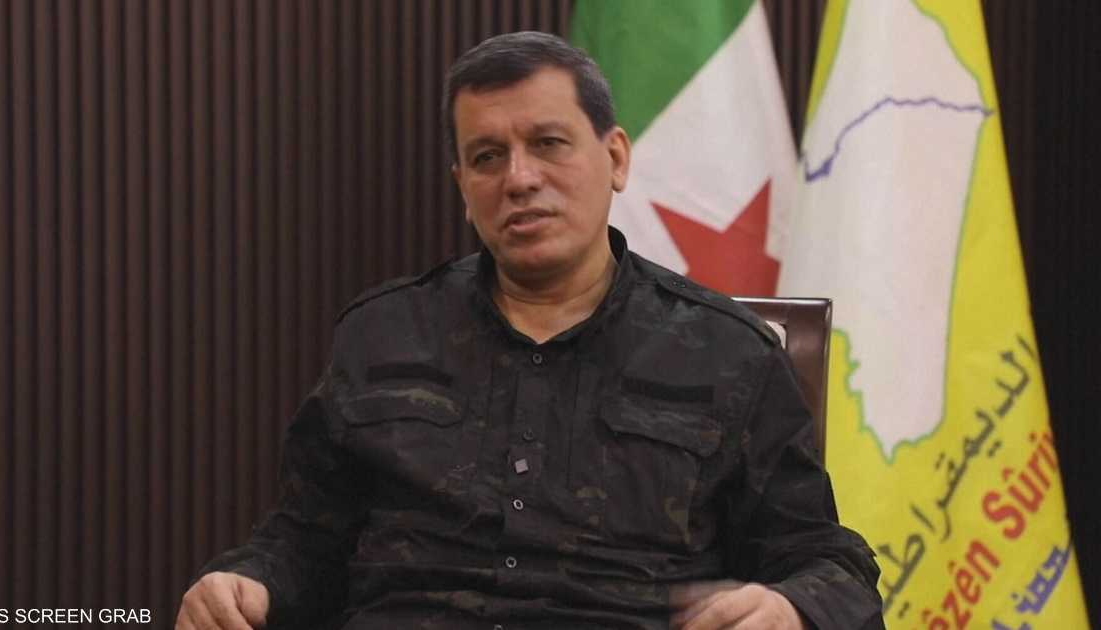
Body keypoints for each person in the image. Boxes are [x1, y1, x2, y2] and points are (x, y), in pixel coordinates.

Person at [176, 31, 883, 630]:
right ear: (463, 185)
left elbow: (828, 561)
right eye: (487, 157)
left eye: (549, 143)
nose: (519, 179)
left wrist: (790, 607)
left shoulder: (728, 353)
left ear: (616, 158)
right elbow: (306, 539)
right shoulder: (382, 335)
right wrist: (247, 582)